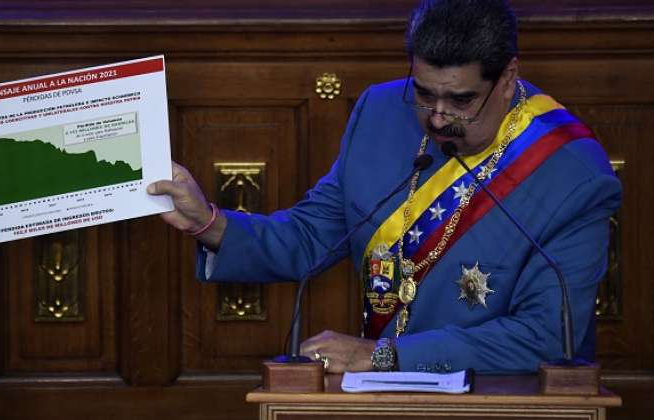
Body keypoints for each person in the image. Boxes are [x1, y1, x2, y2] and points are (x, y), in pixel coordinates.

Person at [147, 0, 621, 374]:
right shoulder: (379, 111)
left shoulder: (572, 172)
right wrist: (209, 223)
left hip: (502, 401)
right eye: (423, 93)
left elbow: (543, 338)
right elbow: (314, 236)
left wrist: (384, 356)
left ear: (507, 78)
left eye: (460, 100)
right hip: (379, 399)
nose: (437, 117)